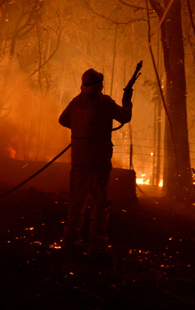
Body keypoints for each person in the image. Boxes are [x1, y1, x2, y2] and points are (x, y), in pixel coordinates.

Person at [58, 68, 132, 253]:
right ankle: (97, 244)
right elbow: (125, 116)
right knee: (100, 204)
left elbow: (63, 120)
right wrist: (127, 101)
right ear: (98, 85)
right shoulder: (104, 103)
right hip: (98, 163)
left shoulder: (75, 103)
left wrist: (80, 129)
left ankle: (70, 241)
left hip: (78, 162)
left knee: (76, 202)